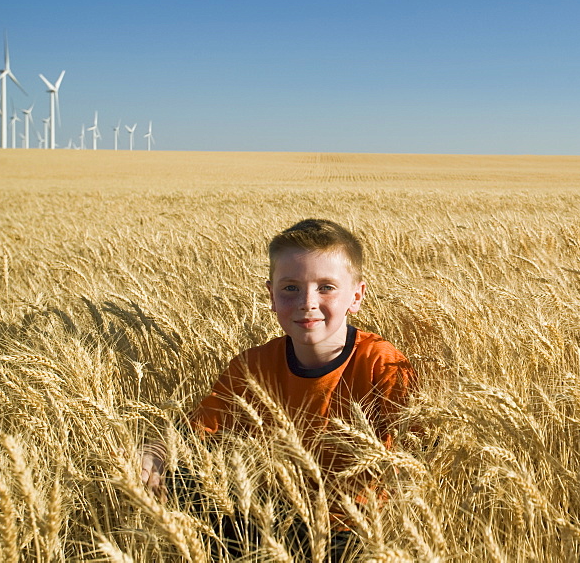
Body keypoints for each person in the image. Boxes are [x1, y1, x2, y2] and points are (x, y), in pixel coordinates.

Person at [141, 218, 416, 560]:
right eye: (290, 288)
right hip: (273, 517)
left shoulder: (381, 362)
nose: (307, 302)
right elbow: (195, 431)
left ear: (356, 296)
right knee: (178, 480)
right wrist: (155, 452)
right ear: (271, 295)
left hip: (355, 528)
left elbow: (414, 457)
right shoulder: (252, 366)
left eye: (326, 287)